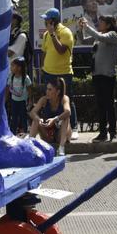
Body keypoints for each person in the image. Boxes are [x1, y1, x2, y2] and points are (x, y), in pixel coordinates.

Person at [39, 8, 78, 140]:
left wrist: (52, 34)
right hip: (48, 72)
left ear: (53, 21)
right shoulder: (46, 34)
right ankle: (49, 129)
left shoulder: (65, 32)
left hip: (63, 73)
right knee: (49, 100)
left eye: (47, 19)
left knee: (67, 99)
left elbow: (61, 50)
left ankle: (73, 127)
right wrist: (43, 67)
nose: (45, 22)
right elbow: (44, 51)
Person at [80, 15, 117, 141]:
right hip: (97, 74)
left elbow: (100, 37)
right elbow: (83, 40)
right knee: (100, 105)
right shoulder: (99, 35)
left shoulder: (113, 35)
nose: (99, 24)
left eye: (101, 22)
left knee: (109, 104)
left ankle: (113, 132)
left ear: (108, 24)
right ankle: (103, 133)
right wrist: (81, 29)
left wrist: (87, 26)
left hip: (107, 75)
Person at [29, 77, 71, 156]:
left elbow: (68, 112)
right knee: (35, 120)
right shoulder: (44, 100)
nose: (47, 92)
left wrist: (55, 119)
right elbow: (32, 112)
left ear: (57, 92)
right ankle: (29, 147)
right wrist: (39, 119)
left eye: (50, 89)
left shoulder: (64, 99)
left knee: (66, 118)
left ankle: (61, 148)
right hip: (48, 134)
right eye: (47, 89)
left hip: (61, 135)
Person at [6, 57, 31, 135]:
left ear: (19, 68)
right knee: (14, 117)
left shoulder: (26, 78)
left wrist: (30, 102)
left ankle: (25, 133)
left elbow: (30, 90)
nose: (11, 68)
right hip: (14, 101)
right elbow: (8, 88)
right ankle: (13, 133)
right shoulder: (11, 76)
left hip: (23, 102)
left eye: (12, 66)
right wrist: (5, 99)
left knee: (23, 117)